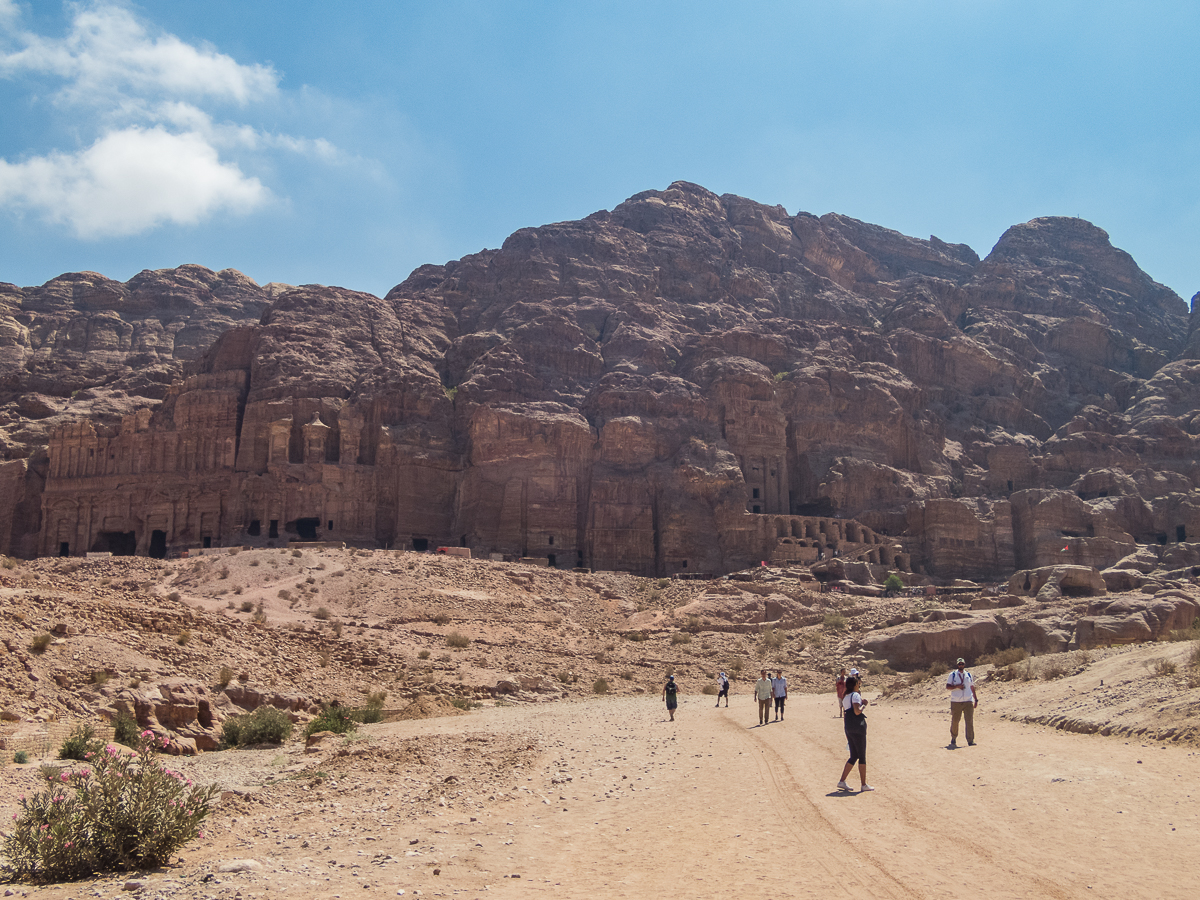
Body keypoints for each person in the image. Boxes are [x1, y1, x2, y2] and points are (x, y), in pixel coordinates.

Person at [837, 675, 874, 792]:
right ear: (854, 685)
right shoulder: (855, 695)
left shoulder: (845, 697)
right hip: (858, 728)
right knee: (862, 756)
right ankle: (863, 785)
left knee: (853, 756)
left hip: (849, 728)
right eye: (858, 684)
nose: (859, 686)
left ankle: (842, 781)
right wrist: (864, 705)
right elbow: (857, 711)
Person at [945, 657, 978, 747]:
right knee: (955, 721)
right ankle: (954, 738)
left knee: (969, 721)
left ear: (964, 664)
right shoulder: (953, 675)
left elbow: (972, 687)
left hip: (968, 701)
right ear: (957, 664)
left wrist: (976, 699)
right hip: (956, 701)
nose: (961, 665)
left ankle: (970, 740)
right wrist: (957, 686)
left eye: (962, 664)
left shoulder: (968, 675)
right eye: (959, 664)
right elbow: (948, 686)